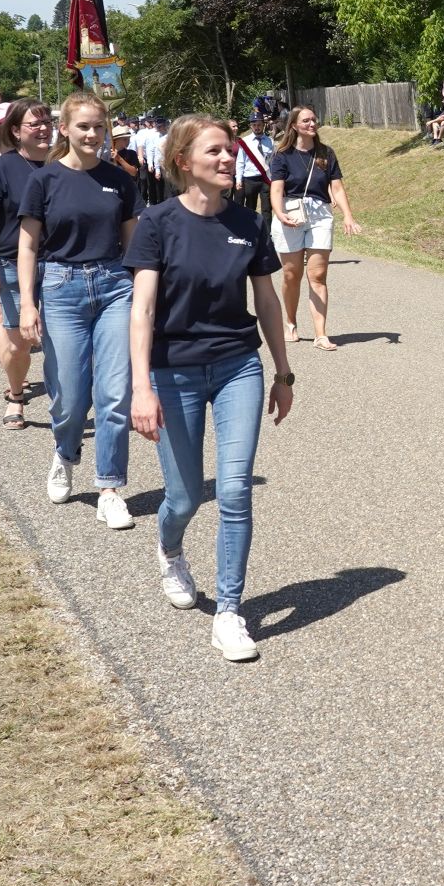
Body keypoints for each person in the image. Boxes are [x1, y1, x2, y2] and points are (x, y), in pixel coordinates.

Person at [126, 114, 295, 662]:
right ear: (183, 161)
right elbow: (142, 309)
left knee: (236, 489)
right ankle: (170, 548)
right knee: (184, 497)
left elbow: (266, 300)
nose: (228, 158)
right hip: (173, 370)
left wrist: (283, 372)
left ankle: (229, 612)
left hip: (237, 367)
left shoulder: (248, 222)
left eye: (230, 149)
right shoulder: (157, 223)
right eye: (215, 151)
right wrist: (141, 387)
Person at [18, 91, 141, 526]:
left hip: (114, 287)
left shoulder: (120, 180)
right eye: (83, 126)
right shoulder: (44, 180)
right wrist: (28, 303)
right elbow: (28, 245)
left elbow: (134, 246)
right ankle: (65, 452)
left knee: (114, 394)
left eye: (99, 126)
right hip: (61, 287)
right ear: (65, 129)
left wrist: (146, 297)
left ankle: (109, 488)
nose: (92, 134)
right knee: (69, 397)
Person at [0, 98, 52, 431]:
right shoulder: (0, 168)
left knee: (61, 341)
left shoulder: (64, 163)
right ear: (16, 131)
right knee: (19, 344)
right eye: (35, 124)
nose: (44, 128)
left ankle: (66, 403)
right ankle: (17, 394)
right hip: (11, 264)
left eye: (47, 122)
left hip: (61, 264)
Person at [268, 105, 364, 350]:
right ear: (294, 126)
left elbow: (337, 188)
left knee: (318, 276)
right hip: (291, 213)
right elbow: (276, 189)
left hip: (320, 215)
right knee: (292, 275)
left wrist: (348, 216)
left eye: (314, 119)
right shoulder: (282, 155)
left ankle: (321, 334)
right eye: (306, 120)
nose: (312, 123)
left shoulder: (326, 153)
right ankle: (291, 322)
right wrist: (279, 213)